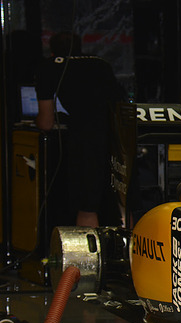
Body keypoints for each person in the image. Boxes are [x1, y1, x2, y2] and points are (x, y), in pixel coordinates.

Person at [35, 32, 125, 227]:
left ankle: (88, 255)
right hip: (121, 136)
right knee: (123, 200)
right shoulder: (100, 63)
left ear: (52, 51)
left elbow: (46, 122)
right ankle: (130, 252)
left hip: (87, 139)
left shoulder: (49, 67)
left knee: (87, 205)